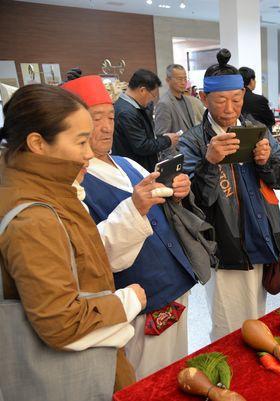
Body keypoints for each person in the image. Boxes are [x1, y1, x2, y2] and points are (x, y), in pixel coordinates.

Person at [0, 84, 146, 393]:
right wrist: (127, 301)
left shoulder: (37, 185)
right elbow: (61, 323)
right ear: (38, 143)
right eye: (80, 141)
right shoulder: (34, 217)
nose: (88, 153)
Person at [62, 75, 197, 379]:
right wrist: (136, 207)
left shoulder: (128, 164)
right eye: (96, 119)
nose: (108, 126)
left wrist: (176, 191)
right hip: (135, 302)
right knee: (147, 380)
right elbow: (91, 256)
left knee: (180, 373)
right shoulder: (72, 183)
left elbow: (160, 210)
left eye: (110, 116)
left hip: (174, 284)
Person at [178, 49, 280, 341]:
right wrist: (209, 162)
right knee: (228, 325)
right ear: (203, 98)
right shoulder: (193, 140)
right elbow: (191, 205)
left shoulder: (257, 129)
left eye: (236, 99)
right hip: (224, 246)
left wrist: (267, 163)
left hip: (262, 236)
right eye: (220, 100)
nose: (230, 109)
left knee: (257, 314)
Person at [112, 69, 179, 171]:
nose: (153, 99)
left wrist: (160, 138)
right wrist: (167, 140)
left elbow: (144, 136)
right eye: (153, 95)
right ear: (142, 90)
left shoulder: (134, 107)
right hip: (135, 169)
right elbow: (141, 146)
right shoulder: (126, 112)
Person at [154, 64, 196, 139]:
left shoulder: (187, 100)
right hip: (178, 149)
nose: (183, 82)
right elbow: (162, 137)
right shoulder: (164, 104)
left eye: (185, 79)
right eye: (179, 79)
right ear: (168, 80)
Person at [239, 66, 276, 130]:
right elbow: (271, 120)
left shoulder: (236, 98)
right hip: (259, 135)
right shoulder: (259, 100)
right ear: (251, 80)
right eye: (254, 79)